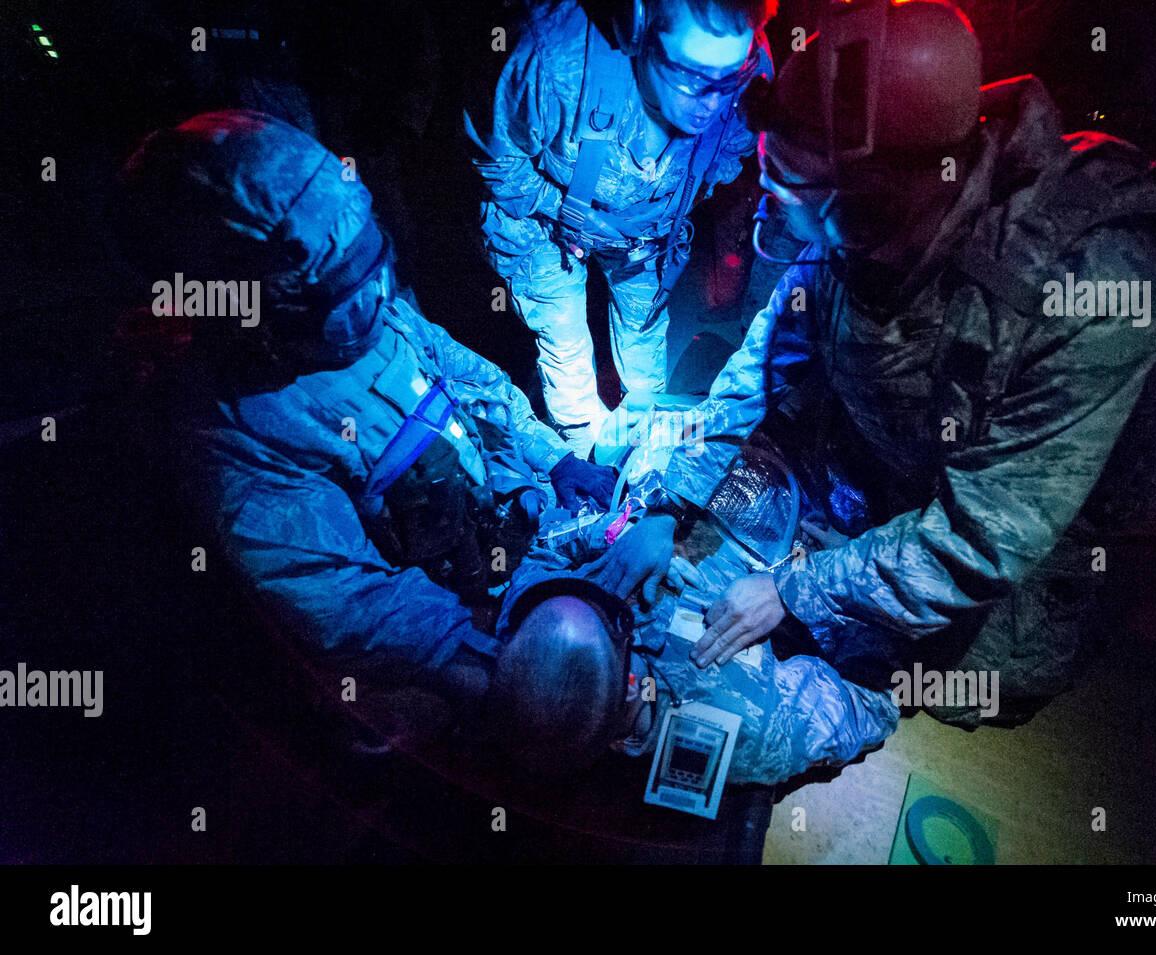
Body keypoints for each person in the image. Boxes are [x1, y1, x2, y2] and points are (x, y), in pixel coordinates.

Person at [592, 0, 1156, 726]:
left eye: (786, 186)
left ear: (867, 201)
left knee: (951, 678)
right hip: (915, 435)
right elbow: (765, 362)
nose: (766, 201)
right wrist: (672, 504)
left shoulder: (1094, 282)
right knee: (742, 517)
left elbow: (983, 537)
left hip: (1018, 501)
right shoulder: (865, 208)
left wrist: (795, 590)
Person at [115, 109, 618, 710]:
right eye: (346, 300)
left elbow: (469, 380)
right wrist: (495, 667)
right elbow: (343, 599)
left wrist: (555, 459)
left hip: (494, 538)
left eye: (375, 271)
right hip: (435, 623)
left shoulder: (352, 292)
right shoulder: (230, 425)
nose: (380, 306)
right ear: (259, 309)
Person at [463, 0, 776, 456]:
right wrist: (564, 211)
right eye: (690, 76)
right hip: (541, 222)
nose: (712, 102)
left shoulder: (748, 69)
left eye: (728, 80)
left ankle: (646, 442)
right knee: (565, 343)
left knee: (646, 349)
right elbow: (495, 161)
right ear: (638, 29)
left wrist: (669, 207)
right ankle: (583, 451)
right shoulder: (550, 58)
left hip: (650, 232)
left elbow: (731, 153)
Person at [490, 562, 899, 787]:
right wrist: (833, 579)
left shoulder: (532, 639)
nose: (622, 609)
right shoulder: (763, 728)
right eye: (617, 626)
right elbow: (874, 708)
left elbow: (537, 567)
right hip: (822, 591)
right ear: (631, 689)